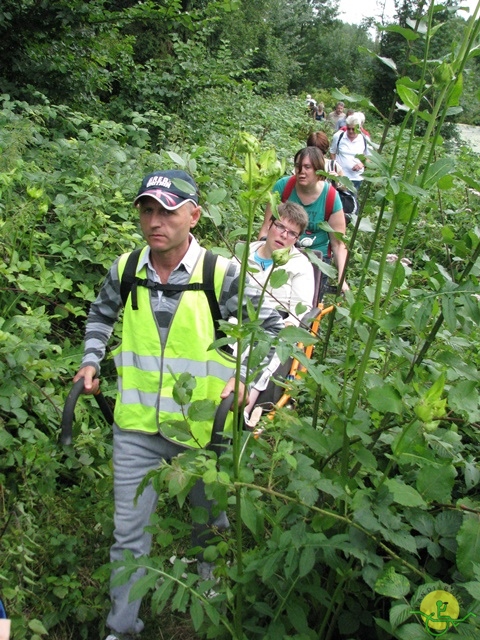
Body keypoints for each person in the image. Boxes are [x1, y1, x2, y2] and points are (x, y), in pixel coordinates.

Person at [73, 169, 284, 640]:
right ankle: (121, 630)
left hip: (203, 433)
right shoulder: (127, 268)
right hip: (136, 430)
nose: (155, 221)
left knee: (209, 531)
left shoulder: (221, 273)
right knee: (128, 536)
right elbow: (102, 313)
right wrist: (90, 361)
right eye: (147, 210)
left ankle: (208, 619)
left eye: (167, 210)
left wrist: (247, 378)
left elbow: (270, 328)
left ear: (193, 215)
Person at [244, 202, 315, 423]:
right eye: (280, 227)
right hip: (239, 317)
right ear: (270, 224)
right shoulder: (244, 251)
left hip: (275, 324)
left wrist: (281, 328)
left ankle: (245, 408)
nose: (284, 236)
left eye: (292, 233)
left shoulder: (300, 265)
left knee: (266, 349)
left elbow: (299, 311)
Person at [258, 147, 348, 291]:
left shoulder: (330, 197)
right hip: (282, 252)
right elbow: (266, 227)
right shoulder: (283, 187)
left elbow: (338, 243)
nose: (301, 171)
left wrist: (342, 279)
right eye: (298, 166)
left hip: (317, 259)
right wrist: (259, 256)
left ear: (319, 171)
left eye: (307, 167)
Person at [330, 112, 371, 191]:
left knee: (350, 200)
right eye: (348, 128)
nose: (351, 131)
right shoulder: (339, 136)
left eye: (353, 129)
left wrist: (362, 164)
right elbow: (332, 152)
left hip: (356, 177)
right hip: (339, 176)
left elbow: (369, 157)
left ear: (358, 128)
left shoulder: (364, 139)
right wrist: (335, 164)